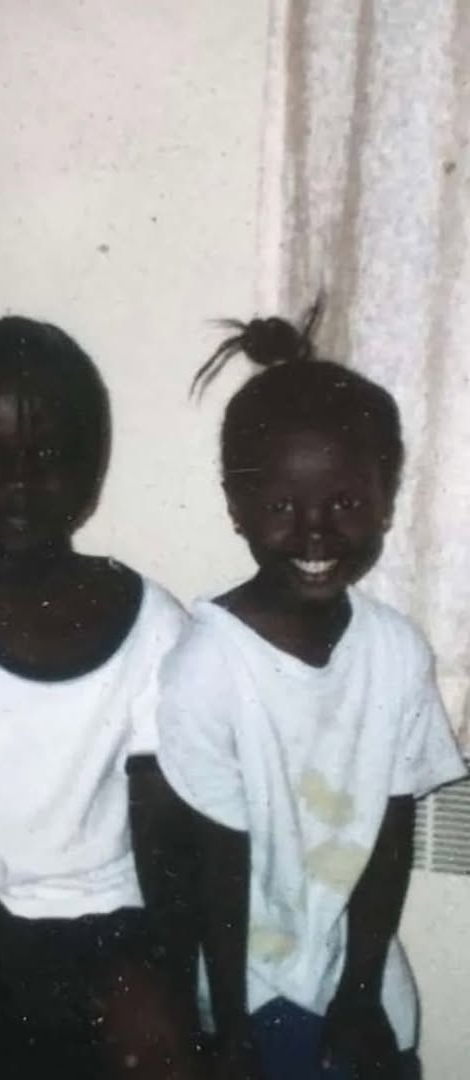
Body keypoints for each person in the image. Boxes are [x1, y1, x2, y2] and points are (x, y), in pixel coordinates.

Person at [156, 305, 467, 1080]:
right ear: (236, 507)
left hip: (358, 964)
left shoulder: (396, 652)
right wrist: (230, 1030)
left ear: (386, 500)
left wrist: (359, 993)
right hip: (246, 976)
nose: (316, 531)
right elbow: (213, 870)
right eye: (282, 506)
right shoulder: (208, 665)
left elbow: (389, 835)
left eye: (346, 503)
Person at [0, 315, 203, 1079]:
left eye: (51, 456)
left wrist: (162, 965)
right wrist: (2, 949)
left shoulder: (152, 622)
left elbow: (162, 825)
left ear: (91, 471)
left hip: (110, 922)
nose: (22, 482)